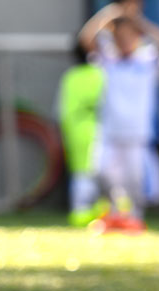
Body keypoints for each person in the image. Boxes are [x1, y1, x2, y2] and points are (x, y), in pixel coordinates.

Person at [80, 0, 159, 234]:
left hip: (136, 134)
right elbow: (86, 39)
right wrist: (114, 12)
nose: (124, 41)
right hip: (110, 132)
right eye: (120, 37)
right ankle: (112, 215)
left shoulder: (147, 60)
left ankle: (134, 219)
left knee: (134, 181)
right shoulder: (108, 60)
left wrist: (138, 21)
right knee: (102, 174)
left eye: (129, 36)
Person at [57, 40, 107, 228]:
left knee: (81, 172)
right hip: (100, 129)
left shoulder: (70, 77)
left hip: (74, 130)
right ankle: (98, 213)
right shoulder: (102, 74)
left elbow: (61, 108)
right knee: (101, 173)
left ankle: (80, 211)